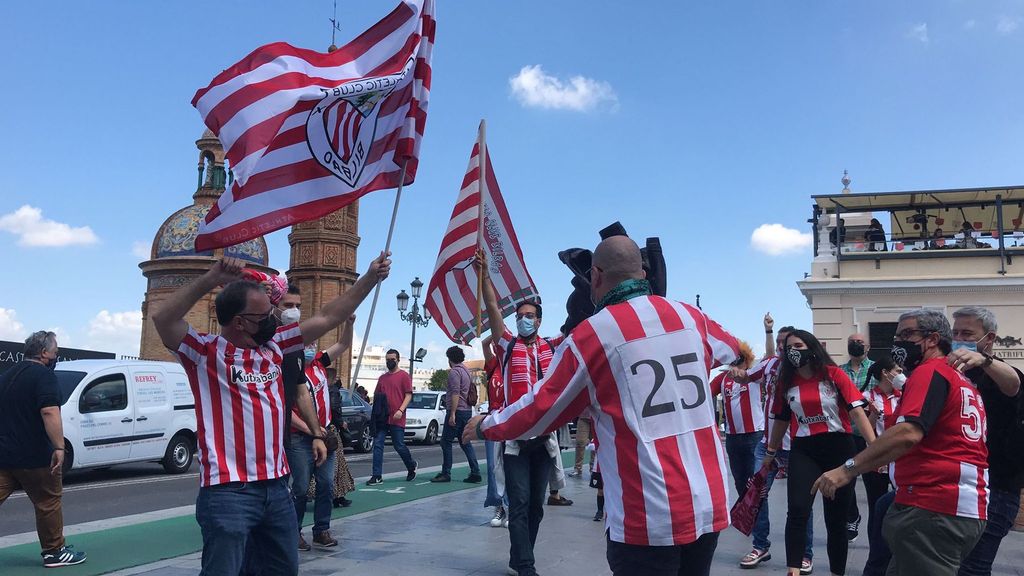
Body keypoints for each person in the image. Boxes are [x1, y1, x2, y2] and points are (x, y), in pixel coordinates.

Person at [465, 235, 742, 576]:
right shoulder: (691, 315)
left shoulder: (593, 335)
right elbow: (734, 350)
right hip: (709, 499)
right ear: (643, 272)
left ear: (595, 276)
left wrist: (486, 425)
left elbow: (541, 408)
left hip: (648, 510)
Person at [151, 253, 390, 576]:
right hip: (228, 490)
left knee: (282, 568)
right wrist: (211, 279)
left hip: (276, 487)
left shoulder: (276, 346)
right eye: (263, 316)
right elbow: (163, 318)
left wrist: (370, 278)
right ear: (239, 322)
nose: (272, 320)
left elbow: (328, 316)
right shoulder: (205, 353)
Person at [813, 309, 990, 576]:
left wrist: (847, 469)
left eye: (907, 334)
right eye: (897, 336)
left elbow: (908, 432)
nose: (898, 343)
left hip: (933, 505)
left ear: (932, 339)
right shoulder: (961, 379)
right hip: (954, 505)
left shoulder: (929, 372)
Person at [476, 251, 568, 576]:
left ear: (539, 320)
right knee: (519, 503)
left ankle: (518, 558)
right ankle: (526, 566)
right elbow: (492, 309)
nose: (524, 319)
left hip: (543, 439)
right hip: (515, 440)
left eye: (529, 315)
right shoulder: (507, 346)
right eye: (520, 315)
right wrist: (485, 277)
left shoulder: (552, 346)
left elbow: (579, 331)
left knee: (536, 508)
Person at [761, 329, 876, 576]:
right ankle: (793, 570)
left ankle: (837, 572)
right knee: (797, 511)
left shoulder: (834, 375)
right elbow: (781, 420)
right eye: (788, 348)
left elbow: (857, 413)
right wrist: (770, 452)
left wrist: (875, 449)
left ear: (812, 347)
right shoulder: (786, 384)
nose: (793, 351)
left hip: (839, 449)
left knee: (836, 519)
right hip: (804, 451)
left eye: (798, 346)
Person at [731, 325, 815, 573]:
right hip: (767, 446)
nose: (782, 347)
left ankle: (804, 553)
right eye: (779, 342)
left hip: (799, 446)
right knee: (756, 494)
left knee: (801, 502)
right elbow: (747, 376)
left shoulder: (807, 369)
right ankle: (760, 546)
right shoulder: (769, 365)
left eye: (787, 343)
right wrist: (737, 373)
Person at [0, 331, 87, 568]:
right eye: (55, 352)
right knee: (48, 502)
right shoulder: (44, 376)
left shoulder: (7, 376)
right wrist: (59, 446)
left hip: (4, 454)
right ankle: (54, 551)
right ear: (43, 353)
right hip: (35, 455)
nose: (56, 356)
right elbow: (49, 411)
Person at [950, 307, 1023, 576]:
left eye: (967, 333)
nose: (959, 339)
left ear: (989, 338)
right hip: (959, 485)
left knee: (973, 568)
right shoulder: (955, 373)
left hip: (997, 490)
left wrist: (985, 361)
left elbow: (1013, 383)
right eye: (955, 333)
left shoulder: (999, 373)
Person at [289, 315, 355, 551]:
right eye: (307, 342)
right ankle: (294, 532)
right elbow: (287, 411)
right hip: (300, 437)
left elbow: (343, 344)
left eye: (314, 343)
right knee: (300, 487)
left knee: (326, 484)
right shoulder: (289, 368)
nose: (311, 347)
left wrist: (349, 325)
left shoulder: (319, 362)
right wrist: (312, 430)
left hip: (324, 435)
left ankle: (321, 530)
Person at [859, 356, 903, 576]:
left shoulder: (903, 395)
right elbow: (861, 429)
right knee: (876, 508)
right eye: (897, 370)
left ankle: (896, 552)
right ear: (886, 373)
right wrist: (873, 415)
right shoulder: (868, 397)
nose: (901, 373)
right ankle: (875, 553)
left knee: (899, 506)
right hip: (875, 461)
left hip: (899, 460)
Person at [709, 339, 759, 507]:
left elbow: (770, 359)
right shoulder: (722, 378)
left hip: (754, 435)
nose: (735, 362)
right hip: (733, 437)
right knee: (740, 481)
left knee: (755, 483)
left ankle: (757, 516)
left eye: (739, 358)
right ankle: (744, 512)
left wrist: (769, 333)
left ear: (746, 359)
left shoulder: (754, 375)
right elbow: (705, 393)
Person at [840, 332, 874, 543]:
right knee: (846, 479)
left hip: (870, 434)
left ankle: (876, 528)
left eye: (860, 342)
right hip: (846, 434)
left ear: (868, 347)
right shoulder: (839, 371)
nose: (855, 344)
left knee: (873, 483)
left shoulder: (876, 370)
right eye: (852, 342)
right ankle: (852, 516)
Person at [366, 349, 417, 486]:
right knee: (378, 444)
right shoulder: (382, 378)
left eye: (392, 359)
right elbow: (377, 396)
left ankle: (411, 465)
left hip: (397, 417)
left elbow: (408, 395)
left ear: (398, 360)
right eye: (387, 359)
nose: (389, 362)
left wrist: (401, 410)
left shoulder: (404, 376)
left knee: (399, 445)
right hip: (383, 418)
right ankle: (377, 475)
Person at [431, 345, 482, 483]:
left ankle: (446, 473)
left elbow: (455, 393)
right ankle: (475, 471)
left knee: (445, 441)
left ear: (450, 358)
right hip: (466, 410)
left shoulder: (455, 372)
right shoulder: (466, 370)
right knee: (465, 441)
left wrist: (452, 413)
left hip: (457, 410)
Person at [481, 336, 510, 527]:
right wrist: (496, 327)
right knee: (493, 465)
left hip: (511, 419)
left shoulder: (516, 364)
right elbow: (484, 343)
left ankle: (512, 505)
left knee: (511, 465)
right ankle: (498, 506)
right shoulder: (494, 366)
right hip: (493, 420)